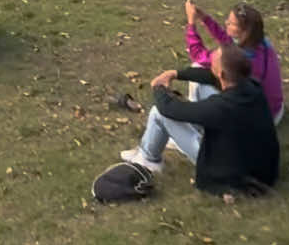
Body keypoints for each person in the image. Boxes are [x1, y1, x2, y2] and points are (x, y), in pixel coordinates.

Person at [120, 44, 280, 194]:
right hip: (262, 169)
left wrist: (158, 88)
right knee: (202, 87)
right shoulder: (252, 87)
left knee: (158, 112)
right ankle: (144, 153)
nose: (210, 66)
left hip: (232, 174)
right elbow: (210, 77)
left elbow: (170, 109)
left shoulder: (221, 107)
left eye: (213, 65)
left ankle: (149, 159)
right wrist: (176, 74)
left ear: (222, 74)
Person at [184, 0, 284, 123]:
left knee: (197, 68)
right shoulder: (262, 42)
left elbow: (198, 54)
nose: (226, 23)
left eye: (231, 23)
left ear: (244, 31)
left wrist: (191, 24)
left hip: (257, 120)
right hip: (275, 110)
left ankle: (195, 122)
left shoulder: (238, 58)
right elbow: (228, 41)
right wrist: (205, 18)